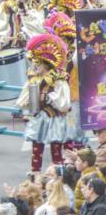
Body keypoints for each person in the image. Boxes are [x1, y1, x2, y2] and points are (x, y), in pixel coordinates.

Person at [16, 33, 71, 174]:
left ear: (46, 64)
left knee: (56, 148)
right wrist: (29, 101)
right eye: (34, 63)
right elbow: (23, 100)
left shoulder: (58, 80)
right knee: (37, 148)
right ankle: (36, 174)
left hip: (54, 118)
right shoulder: (33, 80)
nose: (34, 66)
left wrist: (48, 98)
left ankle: (59, 175)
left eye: (38, 63)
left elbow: (64, 103)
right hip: (40, 118)